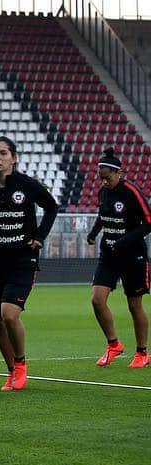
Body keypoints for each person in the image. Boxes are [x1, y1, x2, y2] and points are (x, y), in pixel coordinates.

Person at [0, 136, 58, 391]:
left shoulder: (26, 185)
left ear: (14, 158)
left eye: (2, 153)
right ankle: (11, 371)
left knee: (9, 313)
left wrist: (40, 236)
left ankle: (21, 363)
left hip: (22, 260)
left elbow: (51, 207)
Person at [86, 148, 151, 368]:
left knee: (134, 305)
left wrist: (126, 240)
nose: (104, 182)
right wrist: (94, 233)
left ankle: (142, 352)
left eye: (107, 177)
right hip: (109, 255)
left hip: (133, 257)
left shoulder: (131, 191)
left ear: (118, 173)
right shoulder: (103, 192)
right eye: (101, 178)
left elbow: (149, 221)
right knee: (96, 299)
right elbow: (102, 216)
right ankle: (113, 344)